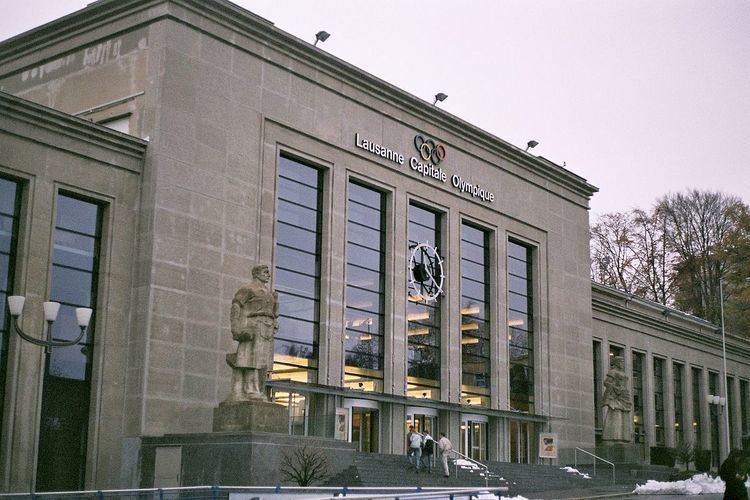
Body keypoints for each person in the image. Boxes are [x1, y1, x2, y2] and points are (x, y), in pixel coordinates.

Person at [225, 264, 279, 402]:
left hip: (266, 329)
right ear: (256, 273)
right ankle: (250, 390)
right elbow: (236, 307)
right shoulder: (248, 289)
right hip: (253, 326)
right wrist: (236, 328)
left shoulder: (269, 293)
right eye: (265, 272)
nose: (268, 275)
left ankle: (258, 390)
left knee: (262, 362)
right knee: (251, 360)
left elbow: (274, 313)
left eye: (268, 272)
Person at [601, 356, 632, 442]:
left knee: (624, 417)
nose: (622, 363)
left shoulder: (622, 372)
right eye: (620, 361)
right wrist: (616, 388)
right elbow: (606, 382)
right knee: (615, 415)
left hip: (624, 395)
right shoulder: (613, 372)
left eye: (623, 361)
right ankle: (613, 436)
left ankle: (624, 437)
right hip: (616, 396)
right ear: (616, 362)